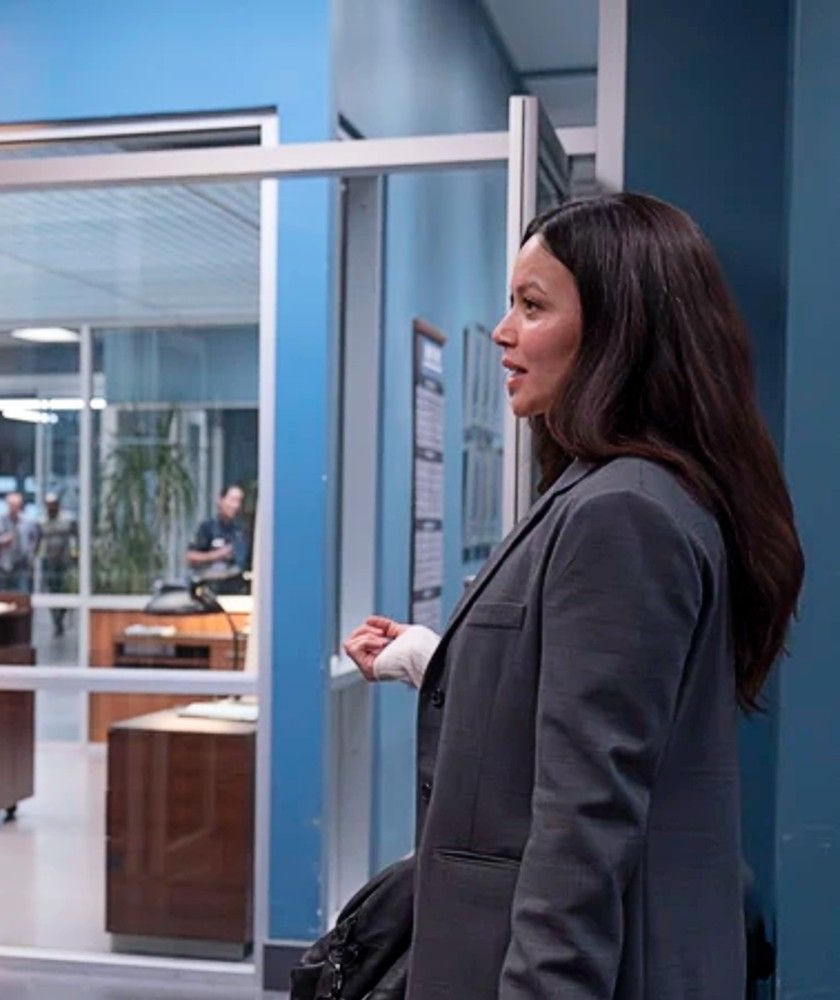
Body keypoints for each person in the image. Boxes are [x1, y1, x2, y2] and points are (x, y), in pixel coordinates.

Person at [342, 193, 802, 999]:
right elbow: (562, 703)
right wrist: (430, 658)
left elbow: (583, 824)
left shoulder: (622, 513)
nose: (502, 331)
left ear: (617, 332)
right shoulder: (613, 493)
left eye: (533, 305)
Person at [185, 484, 249, 594]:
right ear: (221, 501)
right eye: (232, 500)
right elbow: (191, 557)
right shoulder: (208, 528)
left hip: (236, 590)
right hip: (211, 589)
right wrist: (217, 555)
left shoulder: (240, 531)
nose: (236, 505)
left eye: (239, 501)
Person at [36, 492, 78, 630]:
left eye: (53, 505)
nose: (51, 508)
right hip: (49, 561)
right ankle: (56, 620)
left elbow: (77, 537)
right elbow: (38, 541)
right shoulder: (41, 521)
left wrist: (77, 555)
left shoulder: (68, 519)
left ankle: (61, 614)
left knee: (65, 589)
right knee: (52, 591)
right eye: (48, 505)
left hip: (65, 560)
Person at [0, 490, 39, 590]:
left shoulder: (28, 523)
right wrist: (1, 541)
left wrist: (31, 556)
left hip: (22, 565)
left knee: (22, 594)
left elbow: (34, 541)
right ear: (7, 505)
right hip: (2, 565)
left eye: (17, 505)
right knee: (2, 595)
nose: (14, 508)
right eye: (12, 505)